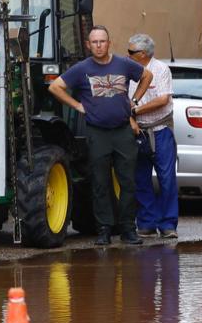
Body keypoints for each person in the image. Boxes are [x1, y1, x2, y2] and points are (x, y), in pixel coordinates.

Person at [50, 25, 152, 246]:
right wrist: (77, 105)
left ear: (109, 43)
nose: (98, 45)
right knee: (99, 183)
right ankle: (104, 229)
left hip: (123, 131)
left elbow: (147, 75)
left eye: (102, 41)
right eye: (94, 42)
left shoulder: (124, 64)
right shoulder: (81, 68)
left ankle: (128, 229)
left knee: (128, 182)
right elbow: (55, 87)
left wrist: (134, 102)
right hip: (97, 133)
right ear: (88, 45)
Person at [127, 33, 179, 239]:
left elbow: (163, 99)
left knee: (166, 179)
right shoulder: (129, 70)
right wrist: (131, 120)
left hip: (161, 130)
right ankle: (147, 222)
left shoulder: (160, 69)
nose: (127, 55)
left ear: (142, 54)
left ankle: (168, 224)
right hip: (137, 130)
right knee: (141, 179)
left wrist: (136, 110)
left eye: (131, 52)